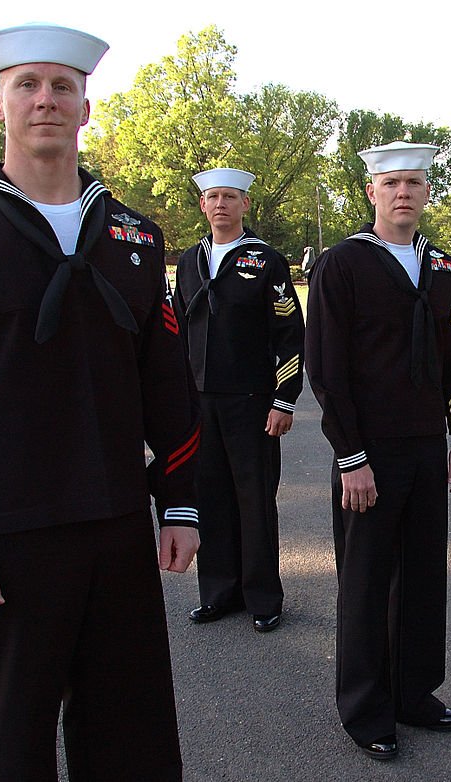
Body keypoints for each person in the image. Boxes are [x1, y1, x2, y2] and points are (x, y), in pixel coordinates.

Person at [0, 23, 200, 781]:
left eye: (62, 87)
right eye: (28, 85)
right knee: (16, 741)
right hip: (9, 537)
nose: (45, 100)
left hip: (119, 525)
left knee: (132, 733)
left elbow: (168, 382)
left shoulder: (136, 239)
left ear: (86, 108)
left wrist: (180, 501)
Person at [305, 141, 451, 761]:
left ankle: (412, 692)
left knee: (423, 576)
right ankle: (365, 707)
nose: (404, 193)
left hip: (425, 446)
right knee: (367, 581)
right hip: (369, 452)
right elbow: (327, 370)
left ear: (428, 191)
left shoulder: (441, 266)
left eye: (415, 183)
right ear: (372, 191)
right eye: (392, 184)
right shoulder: (342, 265)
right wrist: (351, 457)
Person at [173, 167, 303, 633]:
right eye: (213, 196)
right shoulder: (189, 262)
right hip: (200, 402)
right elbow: (177, 331)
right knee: (210, 499)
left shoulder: (266, 262)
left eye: (230, 196)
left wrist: (283, 400)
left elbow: (290, 335)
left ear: (246, 205)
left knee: (254, 501)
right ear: (203, 206)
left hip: (251, 402)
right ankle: (218, 593)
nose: (221, 204)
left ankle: (263, 597)